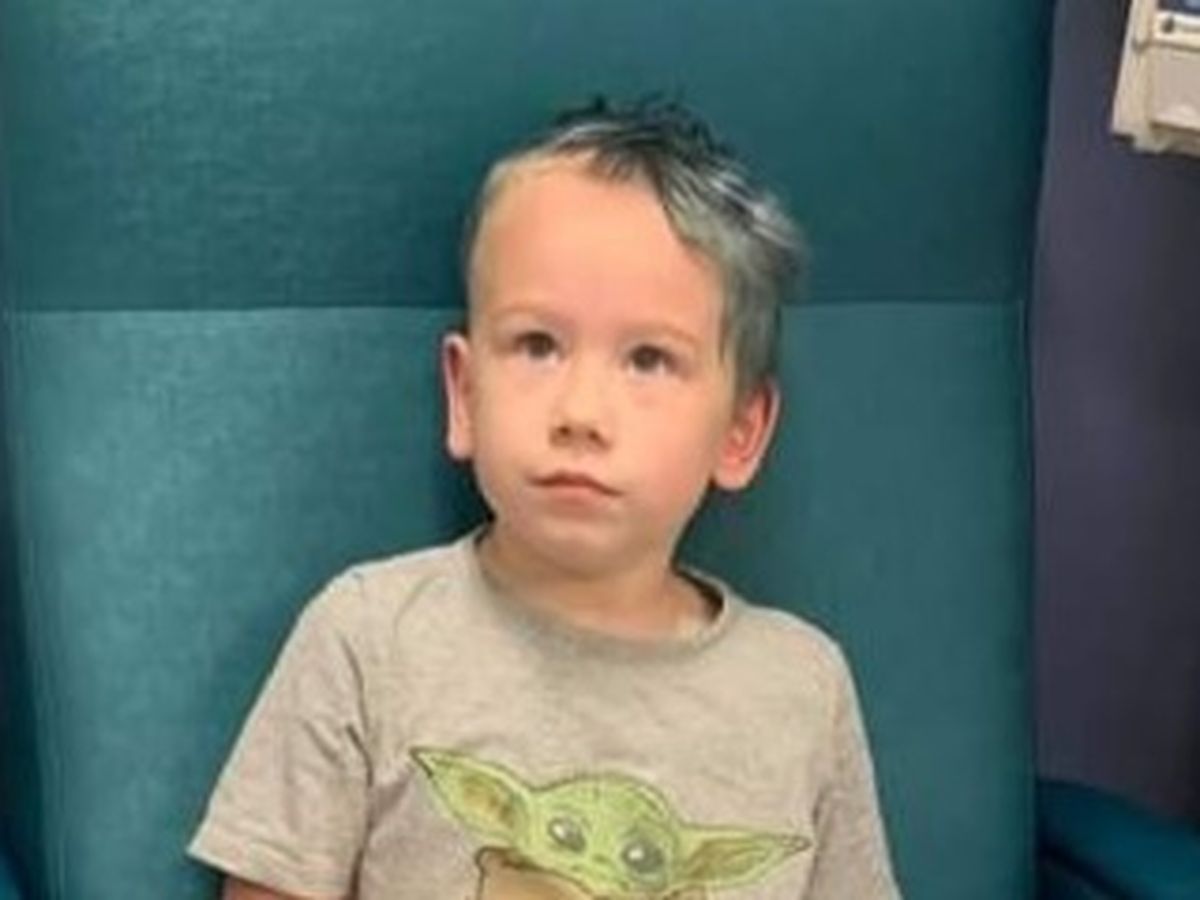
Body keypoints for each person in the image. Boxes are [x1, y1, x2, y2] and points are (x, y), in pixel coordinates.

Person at [188, 98, 902, 900]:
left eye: (649, 360)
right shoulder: (368, 639)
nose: (581, 413)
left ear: (740, 431)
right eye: (537, 345)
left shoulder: (801, 689)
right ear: (465, 394)